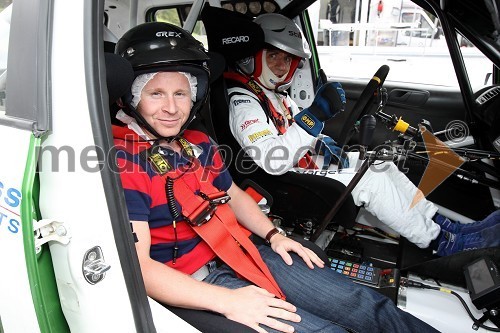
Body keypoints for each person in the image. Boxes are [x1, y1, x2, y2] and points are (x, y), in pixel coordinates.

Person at [112, 21, 441, 333]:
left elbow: (235, 196)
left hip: (242, 249)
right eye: (156, 94)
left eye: (180, 94)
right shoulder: (125, 163)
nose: (171, 108)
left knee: (367, 305)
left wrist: (274, 236)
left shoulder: (197, 142)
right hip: (197, 280)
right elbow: (139, 268)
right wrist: (227, 301)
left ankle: (444, 233)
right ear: (131, 96)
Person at [226, 13, 500, 256]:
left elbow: (299, 133)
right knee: (368, 180)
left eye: (287, 59)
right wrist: (315, 116)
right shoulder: (243, 102)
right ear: (252, 58)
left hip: (304, 165)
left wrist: (323, 143)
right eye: (273, 56)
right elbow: (273, 161)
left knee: (381, 162)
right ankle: (441, 242)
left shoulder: (275, 95)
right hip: (281, 181)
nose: (281, 66)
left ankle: (443, 224)